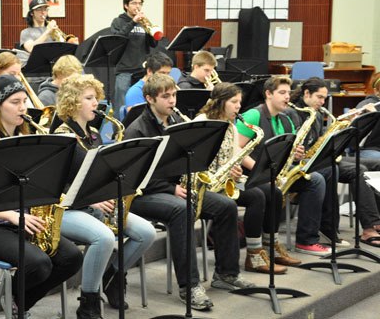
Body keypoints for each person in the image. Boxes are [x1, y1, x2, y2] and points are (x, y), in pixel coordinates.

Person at [125, 73, 254, 312]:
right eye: (166, 97)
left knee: (226, 206)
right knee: (182, 210)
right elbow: (136, 177)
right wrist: (171, 188)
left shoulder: (175, 120)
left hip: (176, 188)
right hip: (143, 194)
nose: (172, 101)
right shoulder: (137, 130)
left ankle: (226, 274)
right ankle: (190, 286)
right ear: (150, 99)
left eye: (174, 95)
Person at [0, 75, 83, 317]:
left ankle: (19, 302)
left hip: (21, 221)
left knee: (71, 257)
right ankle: (14, 300)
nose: (23, 108)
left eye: (24, 101)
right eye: (15, 102)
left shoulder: (24, 139)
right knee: (39, 263)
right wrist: (12, 216)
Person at [54, 74, 156, 318]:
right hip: (67, 209)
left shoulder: (92, 134)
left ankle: (112, 274)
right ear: (72, 102)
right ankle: (88, 303)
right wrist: (91, 199)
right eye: (89, 98)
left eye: (96, 98)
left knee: (146, 233)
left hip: (94, 205)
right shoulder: (62, 137)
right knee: (103, 238)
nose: (96, 104)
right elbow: (56, 188)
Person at [195, 82, 300, 274]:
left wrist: (234, 168)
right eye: (234, 102)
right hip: (206, 183)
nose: (238, 106)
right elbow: (198, 160)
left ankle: (270, 246)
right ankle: (253, 254)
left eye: (239, 102)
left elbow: (235, 153)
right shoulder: (203, 121)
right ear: (220, 102)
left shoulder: (231, 124)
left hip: (226, 180)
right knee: (256, 196)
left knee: (273, 192)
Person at [236, 76, 331, 256]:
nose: (287, 97)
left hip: (276, 172)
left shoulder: (285, 119)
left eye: (288, 92)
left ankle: (306, 240)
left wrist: (296, 154)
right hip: (251, 174)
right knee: (271, 192)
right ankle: (263, 248)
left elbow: (288, 150)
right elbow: (237, 149)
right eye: (282, 93)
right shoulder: (253, 115)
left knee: (315, 180)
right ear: (268, 94)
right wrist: (260, 169)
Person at [288, 77, 380, 247]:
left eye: (325, 98)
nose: (323, 102)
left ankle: (373, 224)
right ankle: (355, 229)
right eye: (320, 97)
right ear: (306, 93)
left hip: (321, 158)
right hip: (306, 163)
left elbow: (320, 140)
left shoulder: (315, 112)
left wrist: (347, 126)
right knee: (347, 170)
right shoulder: (294, 113)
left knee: (366, 168)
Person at [110, 0, 158, 118]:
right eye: (134, 3)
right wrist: (132, 22)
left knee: (142, 104)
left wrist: (152, 32)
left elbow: (153, 44)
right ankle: (119, 133)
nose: (137, 6)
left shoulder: (143, 23)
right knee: (121, 105)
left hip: (141, 70)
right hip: (124, 70)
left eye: (140, 3)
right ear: (126, 5)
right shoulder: (118, 21)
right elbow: (117, 39)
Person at [355, 71, 380, 160]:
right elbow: (355, 137)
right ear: (376, 91)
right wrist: (375, 115)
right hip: (369, 149)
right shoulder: (366, 104)